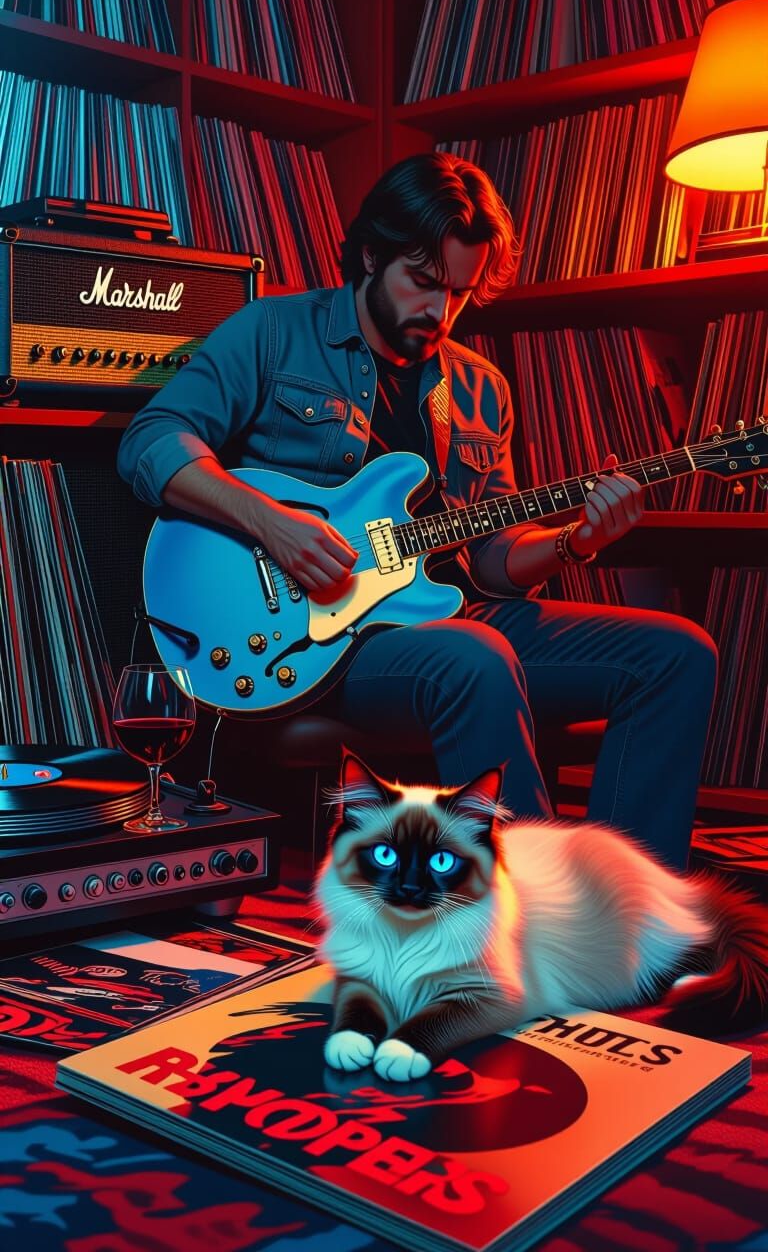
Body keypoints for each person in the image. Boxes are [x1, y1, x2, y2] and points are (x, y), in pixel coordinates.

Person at [117, 152, 717, 871]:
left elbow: (493, 558)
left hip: (446, 617)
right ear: (371, 254)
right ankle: (532, 921)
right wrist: (270, 523)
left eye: (458, 293)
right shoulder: (274, 332)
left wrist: (575, 542)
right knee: (476, 656)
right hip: (321, 641)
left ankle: (632, 910)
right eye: (423, 283)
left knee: (678, 655)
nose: (438, 311)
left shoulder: (479, 387)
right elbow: (152, 442)